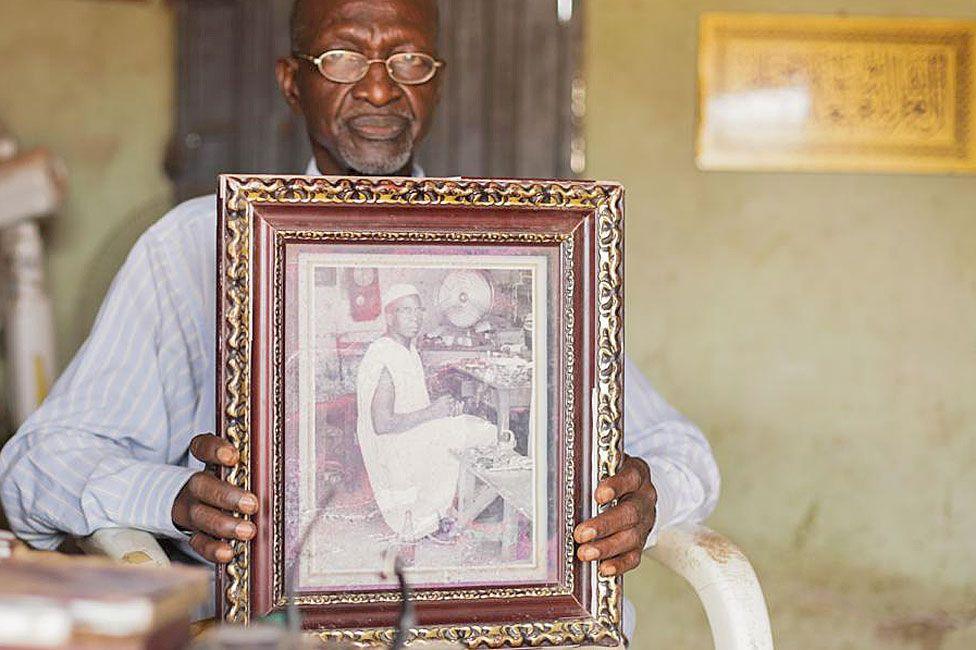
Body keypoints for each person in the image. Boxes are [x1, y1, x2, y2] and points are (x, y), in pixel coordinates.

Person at [0, 0, 719, 619]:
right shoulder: (195, 247)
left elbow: (686, 454)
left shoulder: (525, 253)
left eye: (409, 61)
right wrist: (175, 498)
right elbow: (33, 470)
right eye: (343, 56)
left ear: (437, 83)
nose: (379, 88)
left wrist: (642, 501)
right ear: (293, 82)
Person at [355, 283, 495, 541]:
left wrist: (440, 410)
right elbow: (382, 424)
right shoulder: (384, 356)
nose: (415, 317)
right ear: (388, 316)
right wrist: (433, 413)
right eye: (405, 311)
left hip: (410, 434)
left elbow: (412, 403)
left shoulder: (408, 350)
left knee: (475, 428)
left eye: (418, 310)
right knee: (484, 434)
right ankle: (442, 513)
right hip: (394, 449)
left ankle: (449, 510)